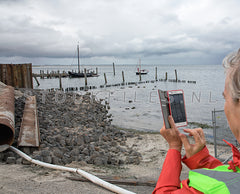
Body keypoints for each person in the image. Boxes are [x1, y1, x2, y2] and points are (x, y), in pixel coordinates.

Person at [153, 49, 240, 194]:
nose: (224, 105)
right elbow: (230, 175)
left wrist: (174, 147)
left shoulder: (212, 189)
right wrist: (200, 158)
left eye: (225, 98)